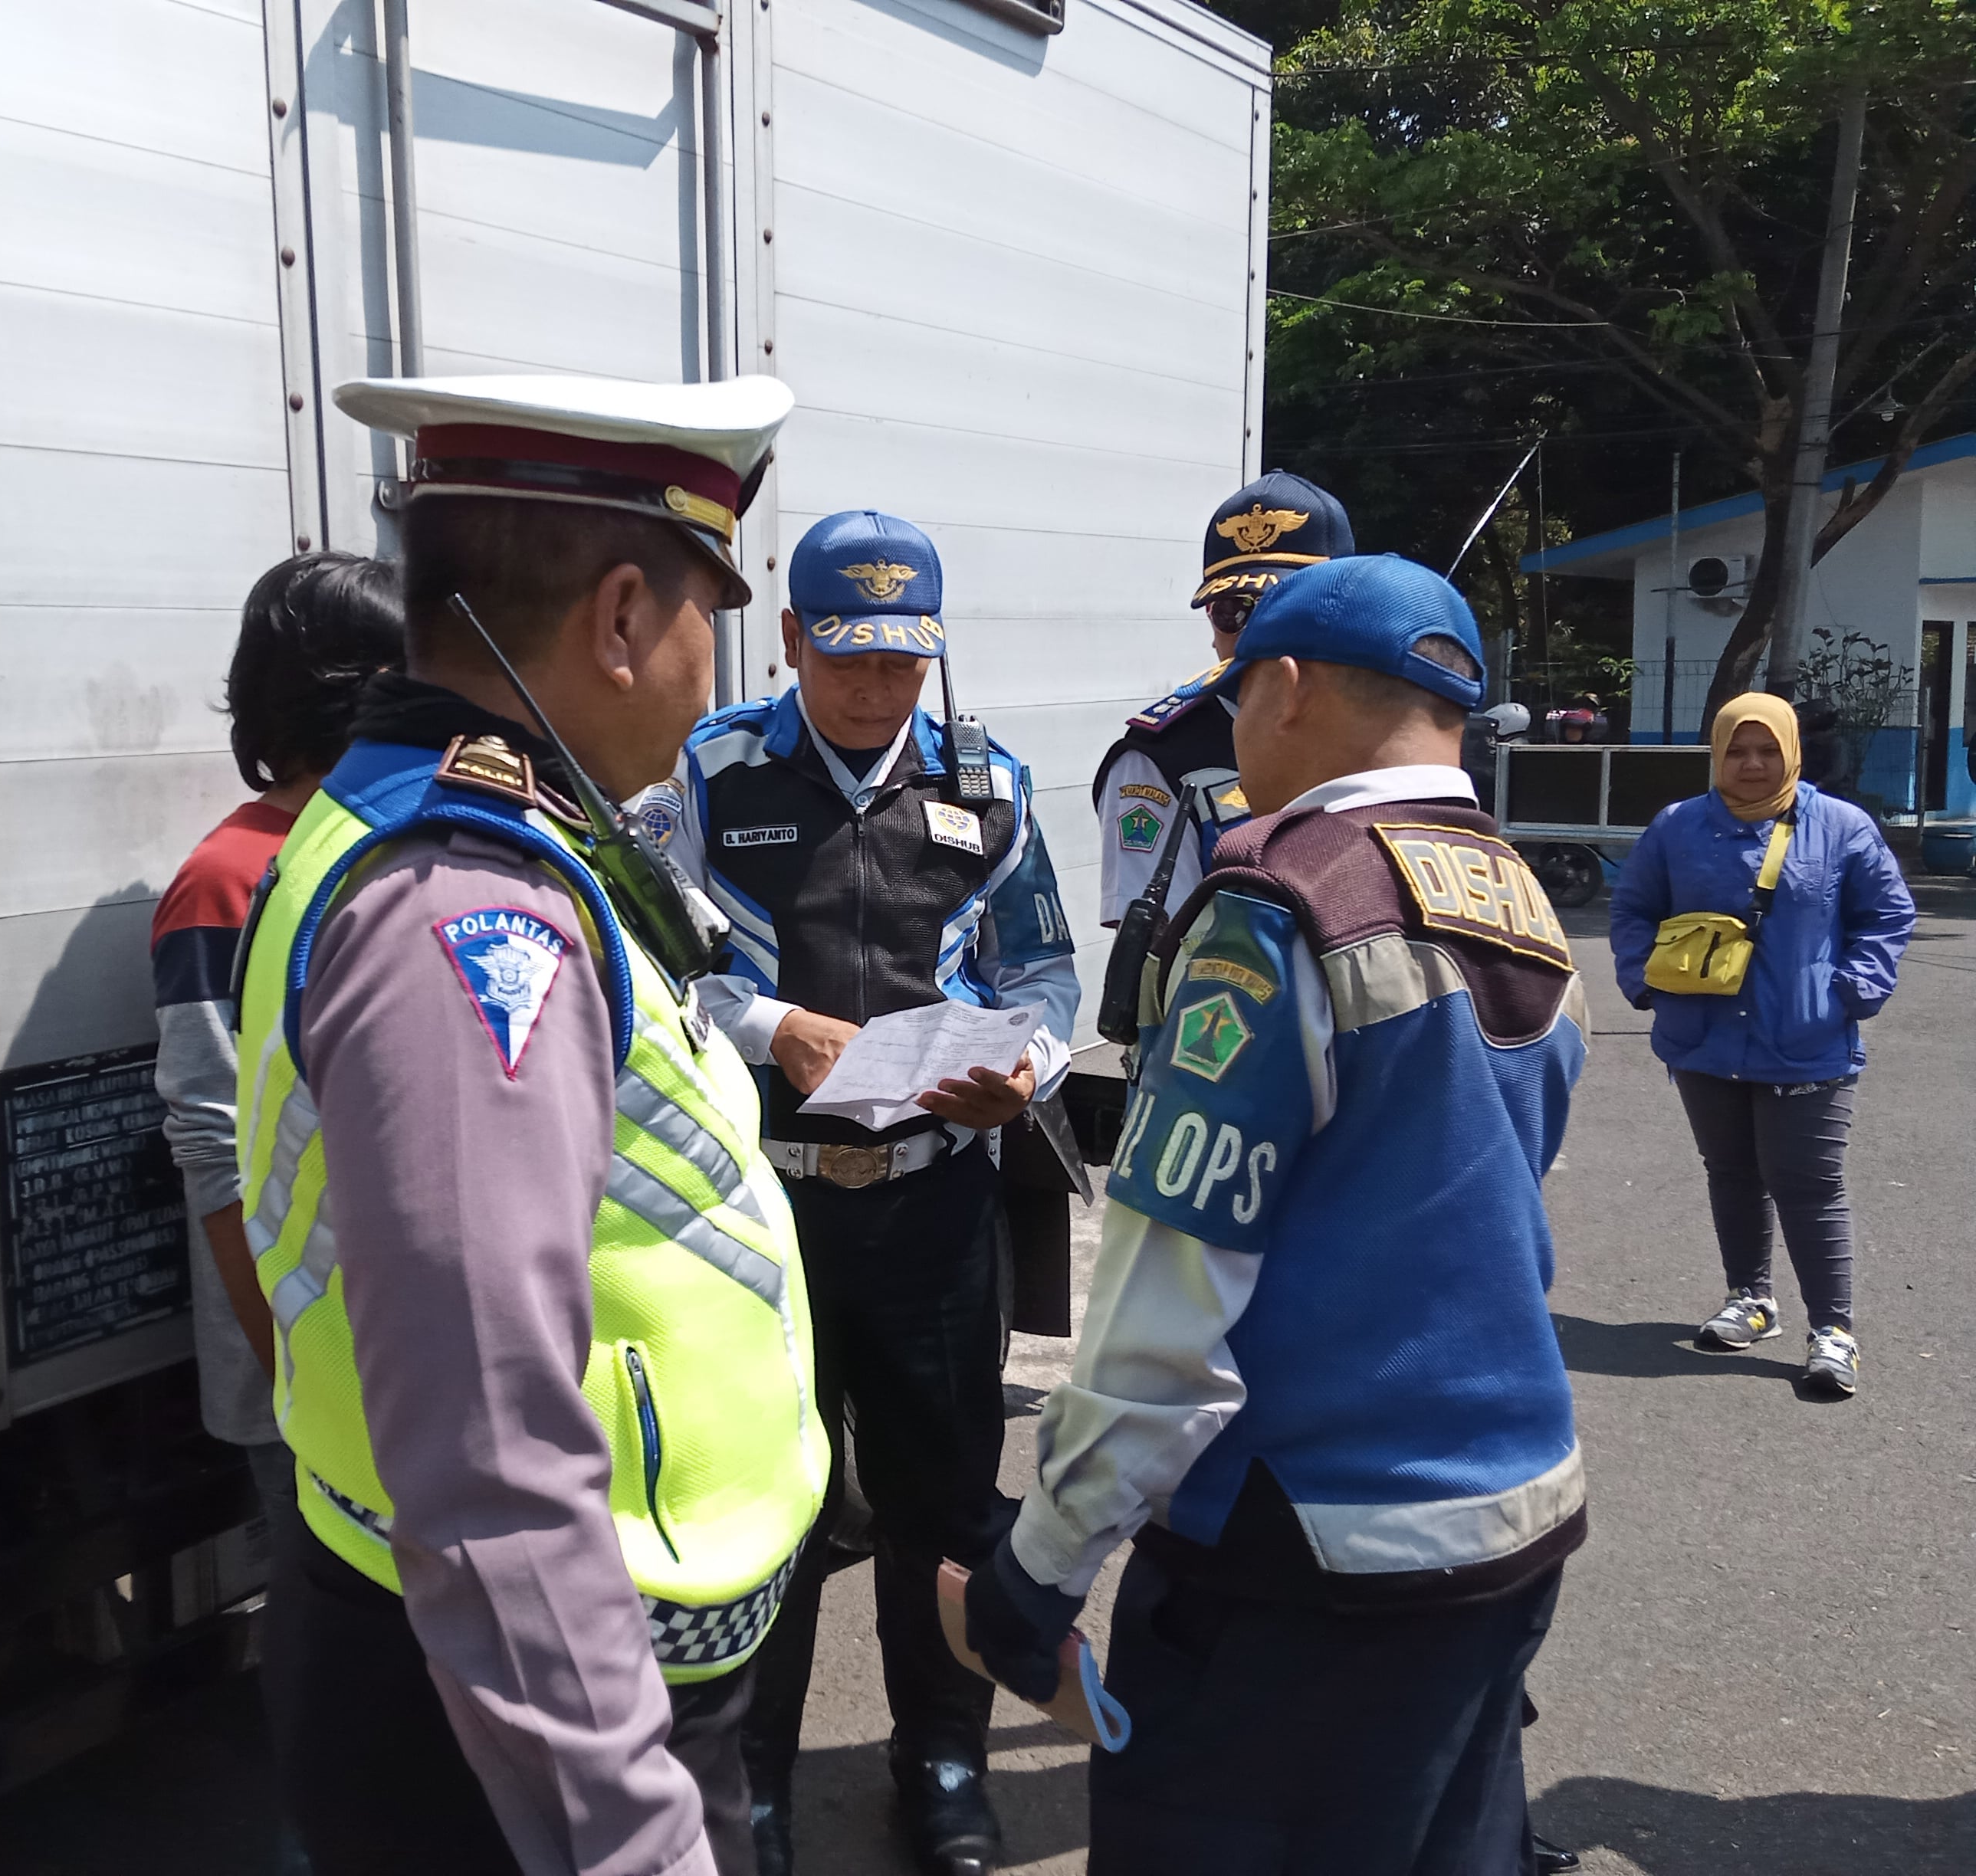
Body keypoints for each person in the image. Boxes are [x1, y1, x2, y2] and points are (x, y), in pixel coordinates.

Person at [233, 372, 829, 1876]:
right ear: (622, 617)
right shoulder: (467, 909)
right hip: (532, 1722)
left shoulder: (467, 819)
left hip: (511, 1671)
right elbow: (490, 1460)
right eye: (714, 616)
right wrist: (629, 1843)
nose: (715, 669)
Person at [964, 554, 1590, 1873]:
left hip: (1304, 1550)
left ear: (1287, 687)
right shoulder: (1520, 896)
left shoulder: (1278, 908)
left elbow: (1166, 1298)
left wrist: (1041, 1565)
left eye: (1236, 697)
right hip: (1511, 1519)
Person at [656, 510, 1081, 1876]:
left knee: (942, 1502)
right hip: (759, 1210)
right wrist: (769, 1023)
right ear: (787, 640)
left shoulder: (989, 784)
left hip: (932, 1207)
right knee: (766, 1506)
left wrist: (1026, 1063)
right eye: (845, 658)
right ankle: (754, 1785)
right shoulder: (709, 773)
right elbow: (653, 966)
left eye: (901, 663)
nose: (872, 689)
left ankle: (943, 1762)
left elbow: (1044, 972)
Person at [151, 550, 400, 1874]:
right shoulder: (227, 881)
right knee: (331, 1683)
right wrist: (293, 1366)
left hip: (409, 1368)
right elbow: (214, 1154)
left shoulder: (387, 851)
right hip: (300, 1373)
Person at [1607, 693, 1914, 1400]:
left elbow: (1887, 913)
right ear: (1716, 754)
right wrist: (1644, 982)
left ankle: (1833, 1332)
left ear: (1792, 751)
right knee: (1732, 1171)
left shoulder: (1839, 827)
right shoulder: (1678, 827)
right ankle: (1751, 1300)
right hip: (1702, 1036)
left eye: (1766, 750)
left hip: (1805, 1035)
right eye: (1737, 750)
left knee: (1807, 1182)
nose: (1751, 764)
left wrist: (1852, 989)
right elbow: (1633, 908)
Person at [1091, 471, 1354, 933]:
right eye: (1232, 612)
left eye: (1285, 611)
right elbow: (1161, 953)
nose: (1258, 636)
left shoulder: (1377, 732)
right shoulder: (1161, 759)